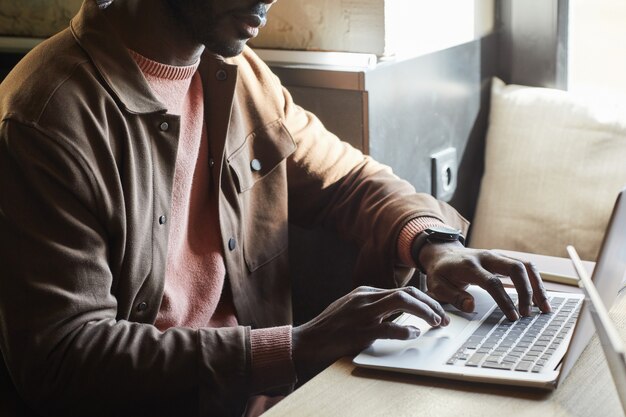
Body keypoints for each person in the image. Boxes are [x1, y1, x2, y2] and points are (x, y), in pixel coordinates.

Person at [0, 0, 551, 416]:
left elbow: (348, 179)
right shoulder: (47, 118)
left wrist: (434, 243)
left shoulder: (238, 74)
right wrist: (298, 345)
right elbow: (64, 355)